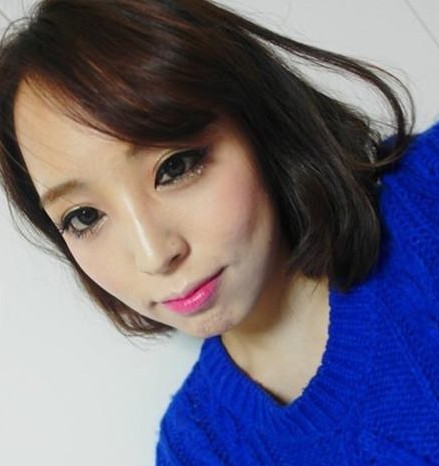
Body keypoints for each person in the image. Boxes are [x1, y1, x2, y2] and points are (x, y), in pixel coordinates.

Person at [0, 0, 438, 464]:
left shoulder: (427, 192)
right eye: (84, 217)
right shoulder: (198, 450)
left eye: (175, 167)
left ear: (256, 121)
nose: (154, 254)